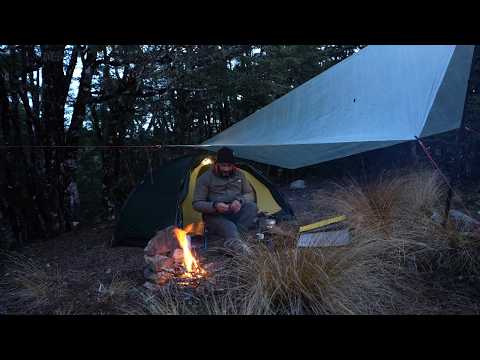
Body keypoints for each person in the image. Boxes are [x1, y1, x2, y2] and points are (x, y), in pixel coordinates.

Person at [192, 147, 258, 254]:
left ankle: (235, 238)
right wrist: (214, 206)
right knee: (229, 226)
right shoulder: (205, 178)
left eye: (229, 166)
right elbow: (196, 204)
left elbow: (250, 194)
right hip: (215, 215)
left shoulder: (240, 174)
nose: (226, 169)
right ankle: (241, 252)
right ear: (216, 164)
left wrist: (239, 201)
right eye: (223, 165)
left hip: (234, 210)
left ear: (233, 165)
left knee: (252, 207)